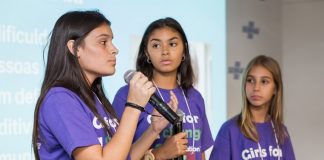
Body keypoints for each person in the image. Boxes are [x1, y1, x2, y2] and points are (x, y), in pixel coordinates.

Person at [31, 10, 178, 160]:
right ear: (75, 48)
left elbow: (121, 156)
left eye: (111, 41)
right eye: (103, 42)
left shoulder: (94, 98)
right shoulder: (60, 99)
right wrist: (134, 106)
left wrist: (153, 130)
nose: (114, 49)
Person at [113, 17, 213, 160]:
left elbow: (200, 152)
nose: (165, 51)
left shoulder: (195, 97)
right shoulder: (128, 94)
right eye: (156, 45)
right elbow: (115, 156)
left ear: (184, 50)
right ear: (146, 53)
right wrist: (160, 153)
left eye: (172, 44)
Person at [210, 55, 295, 160]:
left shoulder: (281, 131)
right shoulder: (229, 130)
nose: (256, 88)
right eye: (250, 80)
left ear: (275, 89)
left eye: (264, 81)